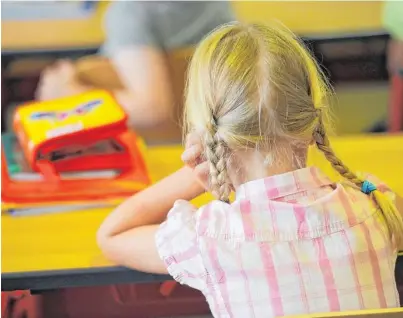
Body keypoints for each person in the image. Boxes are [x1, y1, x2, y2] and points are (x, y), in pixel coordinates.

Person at [97, 22, 403, 317]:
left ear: (211, 133)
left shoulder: (208, 237)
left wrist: (196, 172)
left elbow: (112, 235)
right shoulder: (377, 207)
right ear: (311, 119)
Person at [35, 1, 235, 130]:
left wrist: (72, 94)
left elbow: (153, 110)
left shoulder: (129, 14)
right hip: (196, 147)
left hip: (127, 147)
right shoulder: (217, 6)